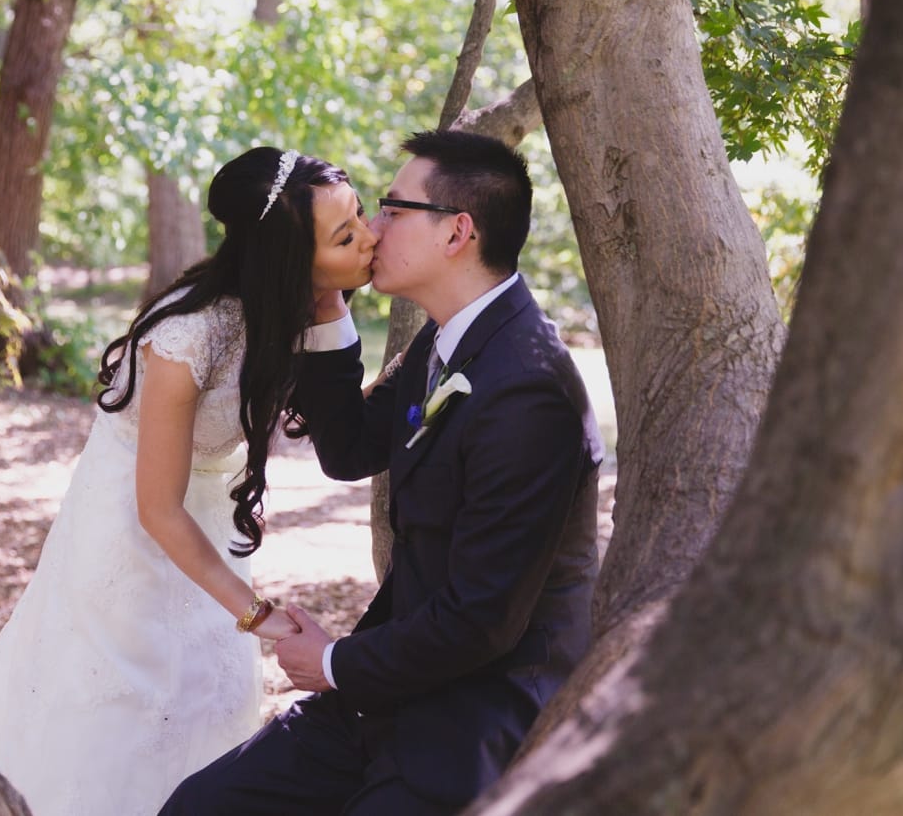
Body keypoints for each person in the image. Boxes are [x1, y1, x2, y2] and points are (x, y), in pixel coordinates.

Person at [160, 130, 603, 815]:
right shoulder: (449, 335)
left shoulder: (528, 389)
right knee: (201, 807)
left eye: (394, 209)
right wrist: (324, 301)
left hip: (477, 711)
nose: (373, 228)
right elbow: (349, 446)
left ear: (457, 232)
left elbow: (483, 621)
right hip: (389, 687)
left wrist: (334, 663)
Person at [0, 146, 377, 816]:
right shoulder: (189, 332)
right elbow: (157, 507)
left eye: (361, 215)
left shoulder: (297, 307)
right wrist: (255, 610)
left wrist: (333, 305)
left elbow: (346, 439)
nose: (372, 236)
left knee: (208, 695)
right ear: (289, 258)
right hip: (134, 520)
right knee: (122, 698)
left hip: (207, 515)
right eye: (347, 235)